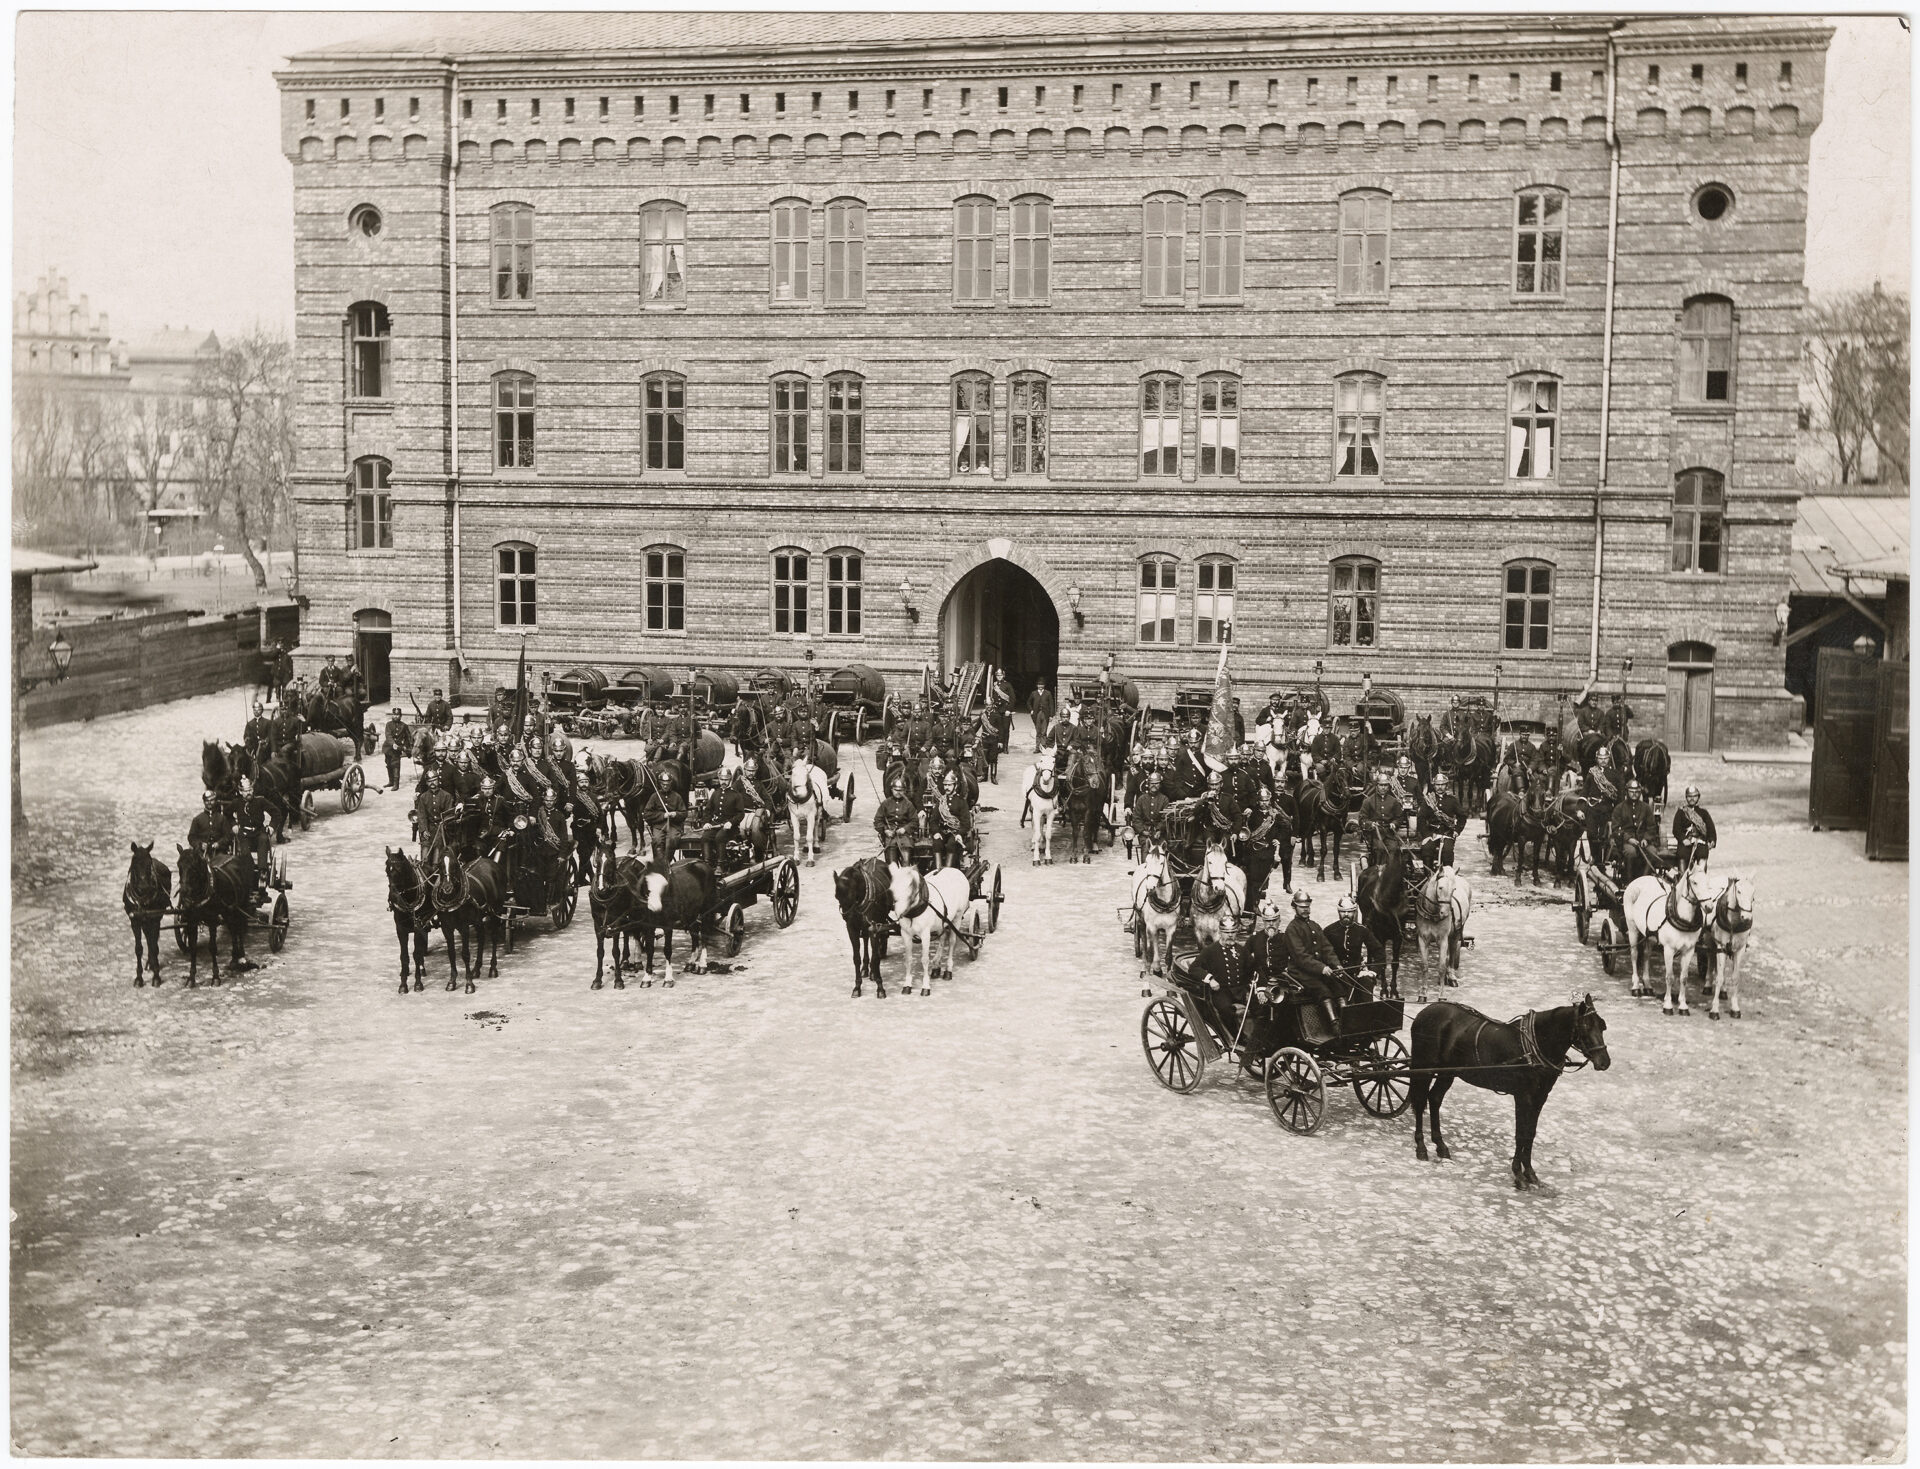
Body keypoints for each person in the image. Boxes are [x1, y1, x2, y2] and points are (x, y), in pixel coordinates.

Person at [1323, 895, 1383, 996]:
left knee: (1367, 985)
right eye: (1343, 911)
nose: (1346, 914)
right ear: (1338, 912)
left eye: (1350, 911)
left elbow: (1379, 952)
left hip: (1357, 974)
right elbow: (1321, 952)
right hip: (1336, 975)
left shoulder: (1362, 930)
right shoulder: (1329, 931)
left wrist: (1372, 971)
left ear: (1354, 912)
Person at [1608, 778, 1663, 878]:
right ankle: (1629, 880)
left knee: (1653, 852)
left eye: (1637, 792)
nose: (1634, 794)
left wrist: (1646, 839)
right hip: (1625, 842)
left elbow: (1651, 827)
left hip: (1643, 841)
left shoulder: (1646, 808)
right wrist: (1628, 839)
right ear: (1626, 792)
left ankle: (1645, 878)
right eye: (1631, 792)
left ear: (1640, 793)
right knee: (1631, 852)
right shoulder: (1619, 808)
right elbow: (1616, 829)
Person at [1358, 767, 1408, 865]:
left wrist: (1394, 823)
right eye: (1381, 785)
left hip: (1390, 833)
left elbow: (1399, 817)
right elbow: (1362, 819)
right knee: (1380, 849)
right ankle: (1379, 872)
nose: (1383, 787)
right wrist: (1371, 824)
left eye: (1385, 785)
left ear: (1389, 786)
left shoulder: (1393, 801)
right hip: (1375, 834)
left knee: (1394, 849)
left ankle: (1391, 873)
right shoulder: (1368, 801)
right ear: (1377, 786)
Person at [1417, 770, 1464, 872]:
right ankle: (1428, 876)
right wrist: (1426, 835)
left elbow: (1462, 816)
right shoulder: (1429, 800)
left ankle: (1447, 876)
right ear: (1434, 786)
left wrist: (1457, 830)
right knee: (1427, 850)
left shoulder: (1452, 800)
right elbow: (1421, 818)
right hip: (1432, 833)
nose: (1440, 787)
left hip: (1447, 833)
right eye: (1437, 785)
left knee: (1447, 852)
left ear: (1446, 786)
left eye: (1442, 785)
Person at [1672, 784, 1717, 873]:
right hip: (1686, 843)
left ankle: (1701, 878)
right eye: (1689, 796)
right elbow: (1676, 829)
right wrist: (1683, 839)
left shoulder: (1704, 813)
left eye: (1694, 796)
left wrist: (1712, 840)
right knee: (1682, 855)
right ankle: (1682, 878)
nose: (1692, 798)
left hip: (1700, 843)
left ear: (1698, 797)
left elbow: (1711, 829)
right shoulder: (1681, 812)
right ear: (1686, 797)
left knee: (1703, 854)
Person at [874, 773, 917, 866]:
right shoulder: (886, 804)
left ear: (904, 791)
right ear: (892, 790)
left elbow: (914, 821)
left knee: (906, 863)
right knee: (891, 865)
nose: (898, 792)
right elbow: (877, 820)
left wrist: (905, 829)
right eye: (896, 790)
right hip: (891, 837)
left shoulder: (908, 804)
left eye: (901, 790)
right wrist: (885, 830)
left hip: (905, 837)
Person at [382, 708, 409, 791]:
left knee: (396, 765)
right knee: (388, 764)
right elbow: (388, 735)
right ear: (392, 715)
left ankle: (396, 784)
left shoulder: (404, 725)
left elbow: (408, 737)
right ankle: (391, 782)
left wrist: (405, 746)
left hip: (397, 749)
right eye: (394, 714)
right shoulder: (388, 724)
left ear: (400, 716)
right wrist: (393, 744)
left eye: (397, 715)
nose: (396, 716)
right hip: (388, 748)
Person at [1028, 680, 1055, 752]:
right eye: (1039, 685)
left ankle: (1043, 747)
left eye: (1042, 685)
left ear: (1044, 685)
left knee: (1044, 731)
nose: (1040, 686)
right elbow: (1028, 702)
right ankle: (1037, 748)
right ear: (1037, 685)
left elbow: (1051, 705)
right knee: (1038, 732)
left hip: (1045, 714)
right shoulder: (1033, 693)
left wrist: (1051, 715)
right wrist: (1031, 710)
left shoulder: (1048, 693)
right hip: (1037, 714)